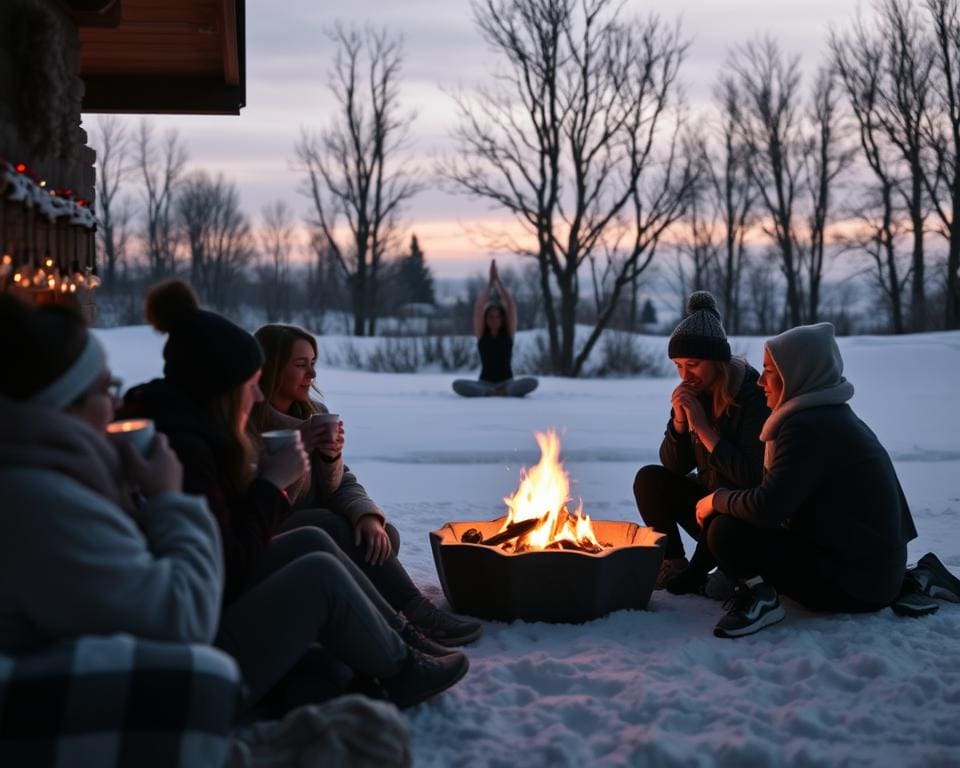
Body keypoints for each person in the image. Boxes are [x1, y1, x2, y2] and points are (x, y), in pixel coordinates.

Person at [120, 279, 468, 713]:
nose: (260, 392)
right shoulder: (188, 448)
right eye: (252, 382)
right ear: (224, 387)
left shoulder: (202, 431)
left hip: (213, 594)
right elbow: (228, 559)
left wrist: (338, 472)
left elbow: (334, 486)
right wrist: (276, 477)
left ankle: (401, 636)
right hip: (197, 632)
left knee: (327, 540)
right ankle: (399, 668)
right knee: (321, 554)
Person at [0, 293, 224, 654]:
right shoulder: (41, 502)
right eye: (105, 389)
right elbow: (186, 619)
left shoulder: (51, 478)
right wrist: (170, 498)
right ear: (64, 406)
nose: (117, 405)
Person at [251, 323, 483, 647]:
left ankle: (374, 612)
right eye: (301, 365)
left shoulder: (314, 414)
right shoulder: (248, 426)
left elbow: (340, 484)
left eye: (313, 363)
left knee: (383, 538)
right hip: (270, 540)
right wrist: (299, 447)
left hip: (320, 529)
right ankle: (416, 615)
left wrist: (363, 510)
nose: (312, 375)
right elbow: (266, 500)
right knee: (333, 527)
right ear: (272, 368)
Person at [697, 322, 919, 638]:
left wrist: (715, 499)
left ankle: (760, 598)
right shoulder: (828, 414)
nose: (760, 382)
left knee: (726, 529)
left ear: (797, 374)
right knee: (734, 514)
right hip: (874, 570)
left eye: (769, 371)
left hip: (859, 584)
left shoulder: (807, 427)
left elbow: (768, 507)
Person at [633, 291, 769, 596]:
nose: (685, 375)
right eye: (678, 366)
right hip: (706, 506)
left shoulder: (753, 398)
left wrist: (705, 429)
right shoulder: (693, 393)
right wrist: (680, 425)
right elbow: (675, 466)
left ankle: (722, 566)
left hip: (740, 515)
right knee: (650, 479)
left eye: (692, 364)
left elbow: (751, 477)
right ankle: (673, 563)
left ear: (716, 362)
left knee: (724, 522)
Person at [452, 259, 538, 397]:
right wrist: (489, 284)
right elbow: (479, 307)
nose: (494, 320)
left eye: (498, 317)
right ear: (485, 319)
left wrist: (498, 282)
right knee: (456, 385)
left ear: (503, 319)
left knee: (533, 382)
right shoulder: (482, 335)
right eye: (490, 317)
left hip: (507, 382)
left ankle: (502, 391)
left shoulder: (508, 334)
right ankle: (489, 392)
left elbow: (510, 305)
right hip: (484, 383)